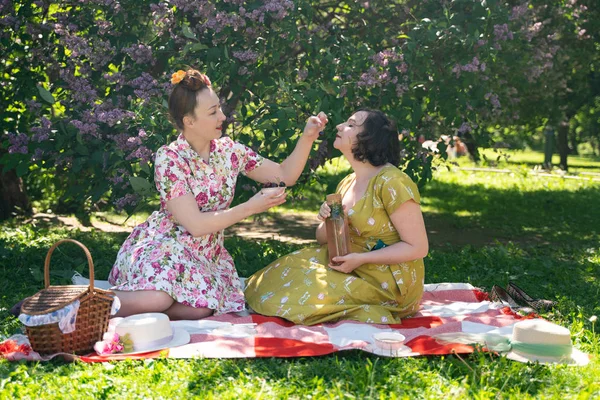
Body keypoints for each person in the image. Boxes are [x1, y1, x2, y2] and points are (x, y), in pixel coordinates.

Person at [108, 68, 327, 320]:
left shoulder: (229, 151)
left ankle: (132, 307)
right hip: (167, 246)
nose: (222, 116)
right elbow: (196, 225)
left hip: (205, 255)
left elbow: (284, 174)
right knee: (158, 298)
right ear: (189, 121)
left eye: (219, 108)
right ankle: (84, 304)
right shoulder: (169, 158)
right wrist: (250, 207)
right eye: (212, 112)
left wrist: (308, 136)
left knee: (199, 308)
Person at [245, 109, 428, 325]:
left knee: (297, 293)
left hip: (386, 282)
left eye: (350, 124)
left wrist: (361, 259)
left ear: (369, 138)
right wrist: (325, 220)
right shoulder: (347, 182)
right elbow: (323, 239)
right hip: (351, 265)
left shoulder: (392, 182)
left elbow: (417, 247)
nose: (340, 126)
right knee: (273, 278)